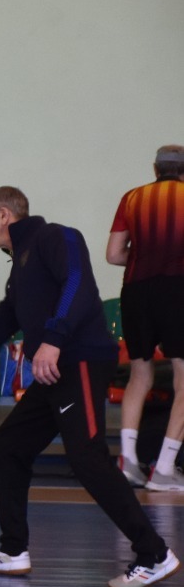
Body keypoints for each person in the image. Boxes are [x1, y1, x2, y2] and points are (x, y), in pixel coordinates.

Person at [0, 186, 178, 587]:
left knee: (88, 459)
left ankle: (154, 554)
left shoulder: (57, 237)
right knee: (10, 444)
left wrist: (54, 340)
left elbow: (78, 284)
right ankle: (13, 551)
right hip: (54, 372)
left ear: (4, 215)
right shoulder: (19, 276)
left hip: (80, 362)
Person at [106, 144, 184, 491]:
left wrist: (147, 257)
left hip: (136, 290)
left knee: (140, 373)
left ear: (155, 169)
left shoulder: (132, 198)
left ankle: (128, 462)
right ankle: (164, 468)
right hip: (178, 289)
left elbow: (113, 254)